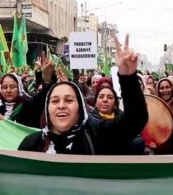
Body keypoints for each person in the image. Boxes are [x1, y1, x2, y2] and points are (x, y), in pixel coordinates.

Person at [18, 35, 148, 155]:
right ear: (47, 108)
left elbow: (135, 120)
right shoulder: (31, 144)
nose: (61, 106)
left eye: (69, 100)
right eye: (55, 101)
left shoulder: (96, 135)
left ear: (80, 107)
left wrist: (128, 78)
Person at [0, 64, 55, 128]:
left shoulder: (28, 104)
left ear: (19, 89)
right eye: (4, 87)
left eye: (13, 87)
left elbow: (43, 97)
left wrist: (47, 80)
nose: (8, 90)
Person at [87, 83, 145, 154]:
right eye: (101, 97)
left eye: (110, 97)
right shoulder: (88, 120)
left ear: (115, 103)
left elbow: (138, 141)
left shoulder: (125, 119)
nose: (105, 100)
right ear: (95, 102)